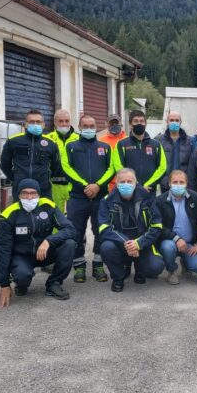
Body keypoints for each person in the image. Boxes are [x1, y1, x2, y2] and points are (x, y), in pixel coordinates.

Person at [0, 178, 76, 306]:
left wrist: (48, 241)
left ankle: (54, 283)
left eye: (33, 193)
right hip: (22, 256)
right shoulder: (8, 215)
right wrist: (4, 284)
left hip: (44, 252)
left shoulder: (48, 206)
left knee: (69, 244)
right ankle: (21, 283)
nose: (29, 197)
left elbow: (70, 229)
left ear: (39, 194)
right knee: (22, 276)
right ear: (18, 195)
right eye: (25, 193)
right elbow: (3, 250)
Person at [62, 114, 115, 283]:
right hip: (78, 197)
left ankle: (98, 265)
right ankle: (79, 267)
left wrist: (98, 185)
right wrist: (85, 185)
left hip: (100, 197)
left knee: (100, 231)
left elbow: (112, 168)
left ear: (96, 127)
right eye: (85, 125)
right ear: (79, 126)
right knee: (76, 232)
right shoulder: (70, 146)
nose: (89, 129)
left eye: (92, 125)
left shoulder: (105, 147)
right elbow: (66, 168)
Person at [98, 168, 165, 292]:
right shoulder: (106, 201)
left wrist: (138, 244)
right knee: (106, 247)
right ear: (116, 184)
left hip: (143, 243)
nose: (126, 184)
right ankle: (118, 278)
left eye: (129, 181)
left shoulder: (148, 199)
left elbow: (156, 227)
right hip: (120, 243)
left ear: (136, 183)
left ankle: (140, 270)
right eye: (122, 182)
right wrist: (128, 243)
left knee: (156, 266)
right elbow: (104, 228)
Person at [156, 170, 197, 284]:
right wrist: (176, 238)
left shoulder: (195, 197)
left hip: (190, 243)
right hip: (170, 241)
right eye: (175, 182)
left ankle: (186, 262)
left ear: (186, 184)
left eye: (181, 182)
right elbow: (158, 225)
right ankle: (171, 271)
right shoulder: (160, 200)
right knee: (168, 247)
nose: (178, 185)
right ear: (169, 184)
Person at [0, 109, 61, 201]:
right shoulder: (13, 141)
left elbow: (56, 165)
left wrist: (46, 177)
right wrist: (15, 178)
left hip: (43, 189)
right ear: (25, 124)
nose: (35, 124)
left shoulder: (51, 144)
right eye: (32, 122)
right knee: (21, 214)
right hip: (20, 189)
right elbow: (5, 164)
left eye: (38, 122)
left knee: (46, 214)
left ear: (43, 125)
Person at [113, 110, 166, 194]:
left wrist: (149, 184)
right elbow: (118, 167)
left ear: (146, 124)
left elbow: (162, 167)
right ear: (130, 124)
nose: (139, 123)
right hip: (129, 190)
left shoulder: (156, 144)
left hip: (149, 190)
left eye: (141, 121)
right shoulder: (121, 144)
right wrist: (136, 185)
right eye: (136, 121)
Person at [45, 108, 79, 213]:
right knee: (55, 216)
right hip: (54, 185)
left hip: (73, 185)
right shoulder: (47, 139)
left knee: (74, 217)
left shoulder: (79, 139)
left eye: (67, 121)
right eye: (60, 121)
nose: (64, 124)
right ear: (55, 123)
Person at [157, 111, 193, 191]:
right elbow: (156, 163)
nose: (174, 122)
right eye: (171, 120)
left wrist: (187, 182)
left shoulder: (189, 141)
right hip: (165, 185)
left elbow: (191, 165)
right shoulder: (159, 141)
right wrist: (163, 181)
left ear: (180, 122)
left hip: (183, 184)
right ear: (167, 122)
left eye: (177, 120)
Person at [99, 113, 127, 192]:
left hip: (125, 183)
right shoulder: (101, 141)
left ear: (121, 124)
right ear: (107, 125)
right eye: (111, 123)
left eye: (116, 123)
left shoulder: (127, 140)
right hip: (107, 184)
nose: (114, 125)